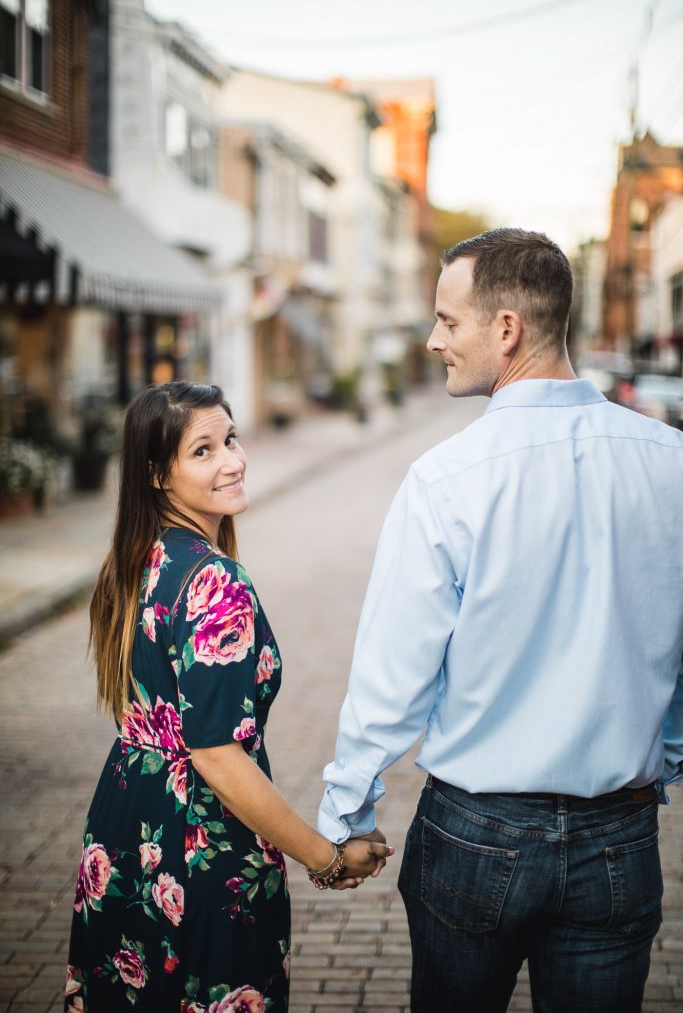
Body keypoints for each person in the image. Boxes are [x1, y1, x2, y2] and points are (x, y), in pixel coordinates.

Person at [318, 229, 683, 1012]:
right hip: (618, 835)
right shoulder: (671, 463)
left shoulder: (446, 479)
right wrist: (667, 753)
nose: (432, 340)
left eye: (449, 322)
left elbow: (394, 674)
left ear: (506, 329)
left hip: (475, 834)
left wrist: (347, 812)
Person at [64, 381, 392, 1013]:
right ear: (159, 474)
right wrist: (324, 858)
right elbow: (216, 755)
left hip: (126, 822)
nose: (233, 460)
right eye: (203, 451)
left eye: (231, 439)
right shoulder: (214, 582)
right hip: (199, 845)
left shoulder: (133, 561)